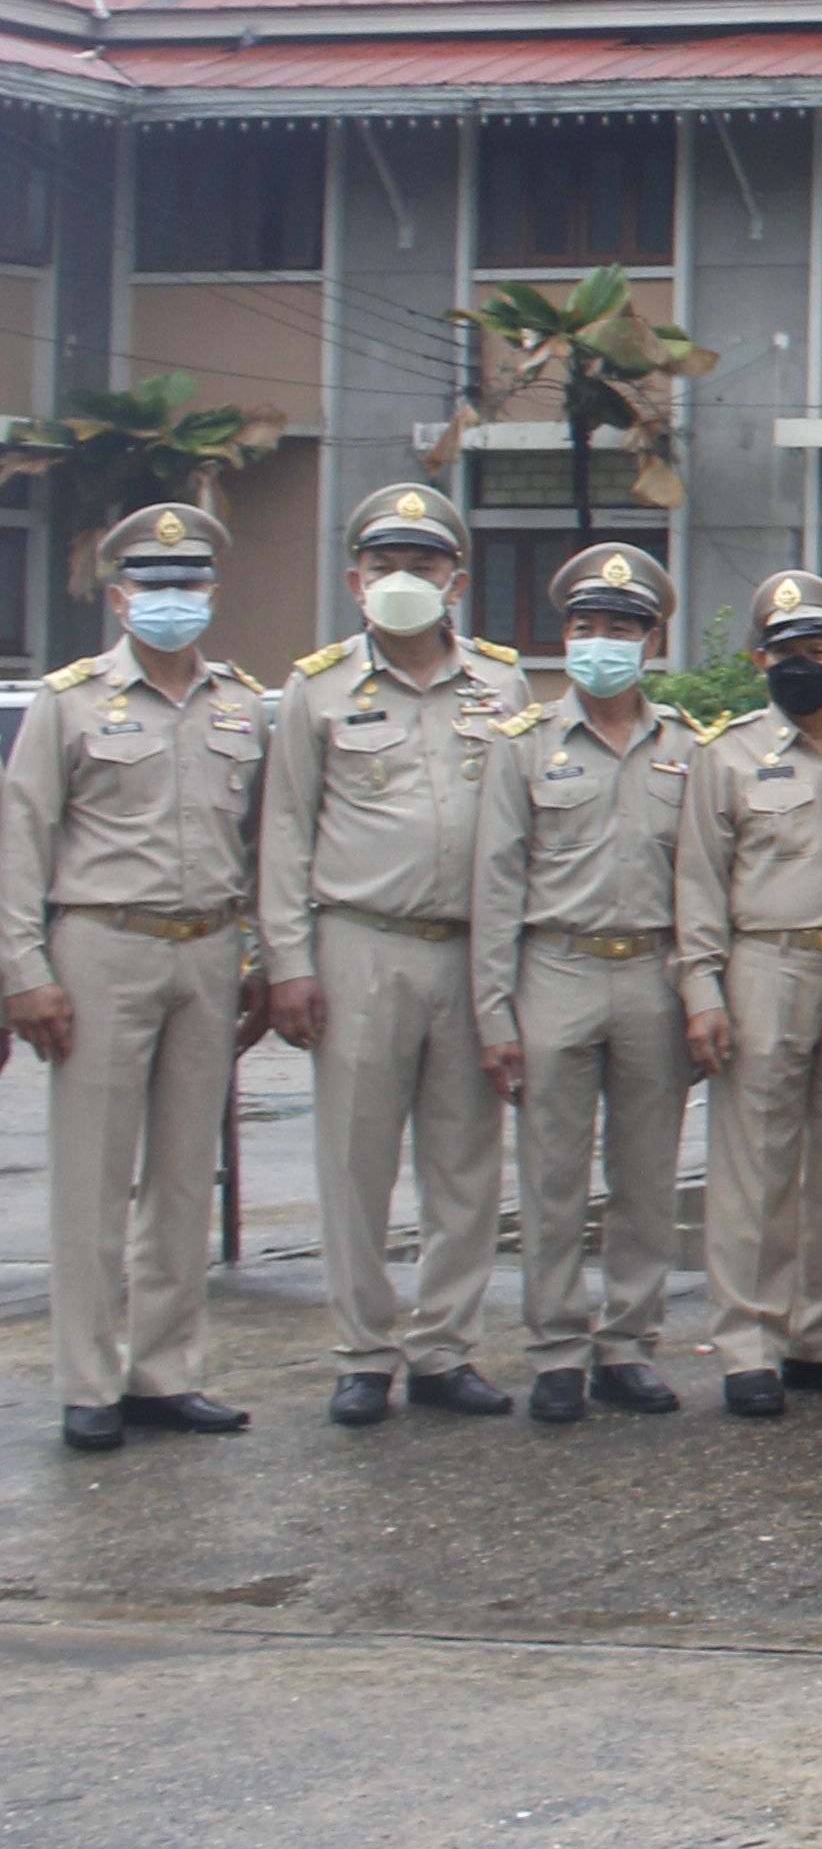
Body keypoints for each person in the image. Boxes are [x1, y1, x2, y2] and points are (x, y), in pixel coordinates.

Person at [259, 484, 533, 1427]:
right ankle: (362, 1353)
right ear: (354, 580)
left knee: (466, 1162)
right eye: (386, 567)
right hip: (359, 943)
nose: (404, 581)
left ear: (456, 579)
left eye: (422, 566)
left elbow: (525, 833)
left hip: (472, 952)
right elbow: (285, 833)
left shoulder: (503, 685)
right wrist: (288, 960)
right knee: (355, 1158)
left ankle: (444, 1349)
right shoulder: (317, 687)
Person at [4, 502, 270, 1451]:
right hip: (100, 944)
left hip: (205, 947)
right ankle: (86, 1380)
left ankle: (165, 1372)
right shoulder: (68, 701)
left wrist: (260, 959)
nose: (172, 600)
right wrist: (21, 973)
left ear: (211, 593)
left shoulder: (240, 704)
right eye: (153, 586)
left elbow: (259, 846)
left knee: (185, 1174)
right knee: (93, 1172)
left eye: (188, 585)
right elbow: (20, 842)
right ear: (119, 598)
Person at [473, 542, 697, 1421]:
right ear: (564, 638)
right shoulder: (524, 746)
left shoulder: (686, 746)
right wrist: (496, 1012)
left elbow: (701, 882)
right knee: (553, 1175)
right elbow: (496, 883)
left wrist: (700, 992)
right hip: (555, 969)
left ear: (652, 642)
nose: (601, 642)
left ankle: (629, 1344)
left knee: (646, 1178)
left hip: (652, 972)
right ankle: (558, 1349)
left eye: (620, 629)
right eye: (585, 627)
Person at [678, 570, 822, 1417]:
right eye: (783, 653)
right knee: (755, 1168)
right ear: (758, 660)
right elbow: (698, 882)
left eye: (818, 652)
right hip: (764, 965)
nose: (799, 666)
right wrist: (702, 988)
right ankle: (748, 1345)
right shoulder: (726, 753)